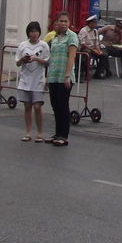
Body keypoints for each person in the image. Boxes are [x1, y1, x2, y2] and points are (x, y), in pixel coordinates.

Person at [45, 12, 78, 146]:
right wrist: (47, 77)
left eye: (65, 21)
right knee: (55, 105)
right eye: (61, 21)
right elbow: (52, 58)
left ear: (69, 23)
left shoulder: (72, 36)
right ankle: (57, 133)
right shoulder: (55, 37)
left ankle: (64, 135)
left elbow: (71, 56)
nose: (63, 23)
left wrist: (67, 75)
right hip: (53, 75)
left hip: (64, 76)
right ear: (57, 22)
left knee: (63, 105)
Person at [14, 21, 49, 142]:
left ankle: (39, 132)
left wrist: (37, 59)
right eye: (32, 31)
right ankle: (28, 132)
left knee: (37, 107)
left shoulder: (44, 45)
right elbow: (17, 63)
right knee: (27, 106)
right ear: (28, 33)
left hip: (38, 80)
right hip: (25, 80)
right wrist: (23, 60)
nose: (34, 34)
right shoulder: (23, 45)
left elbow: (47, 62)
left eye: (36, 31)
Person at [78, 14, 105, 78]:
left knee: (104, 55)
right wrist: (93, 50)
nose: (96, 25)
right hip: (84, 48)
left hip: (93, 49)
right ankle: (85, 73)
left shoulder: (95, 31)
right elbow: (83, 44)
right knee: (87, 53)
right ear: (90, 23)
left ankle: (98, 73)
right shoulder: (83, 30)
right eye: (95, 23)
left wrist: (98, 51)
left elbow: (96, 43)